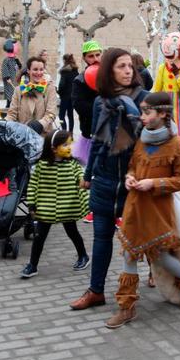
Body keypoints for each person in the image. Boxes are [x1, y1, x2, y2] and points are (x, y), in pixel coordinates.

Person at [105, 92, 180, 328]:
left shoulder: (177, 144)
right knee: (128, 254)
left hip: (158, 211)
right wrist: (130, 178)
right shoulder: (142, 139)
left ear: (163, 113)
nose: (143, 116)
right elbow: (132, 166)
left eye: (147, 112)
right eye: (142, 111)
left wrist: (154, 184)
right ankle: (126, 307)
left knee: (162, 257)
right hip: (134, 208)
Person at [69, 47, 148, 311]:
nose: (127, 71)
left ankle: (157, 274)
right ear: (108, 72)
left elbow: (153, 144)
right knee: (101, 237)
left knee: (142, 237)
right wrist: (89, 174)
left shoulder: (143, 98)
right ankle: (96, 291)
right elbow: (96, 140)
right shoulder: (100, 101)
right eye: (121, 66)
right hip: (104, 179)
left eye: (130, 66)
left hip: (132, 182)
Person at [20, 130, 90, 278]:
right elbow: (33, 186)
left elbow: (81, 181)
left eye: (70, 144)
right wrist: (31, 204)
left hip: (68, 207)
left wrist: (87, 187)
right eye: (65, 145)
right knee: (39, 236)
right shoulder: (41, 166)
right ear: (53, 148)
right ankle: (32, 265)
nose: (70, 147)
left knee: (73, 232)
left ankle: (83, 255)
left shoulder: (73, 165)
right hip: (46, 208)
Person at [71, 40, 103, 223]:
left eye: (98, 55)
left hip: (109, 133)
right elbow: (79, 105)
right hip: (90, 133)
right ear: (84, 59)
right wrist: (101, 106)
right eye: (91, 56)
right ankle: (91, 208)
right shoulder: (79, 80)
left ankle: (112, 211)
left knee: (105, 174)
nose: (95, 59)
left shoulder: (107, 76)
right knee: (91, 175)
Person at [152, 32, 180, 147]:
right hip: (165, 103)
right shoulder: (162, 68)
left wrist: (178, 76)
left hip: (179, 103)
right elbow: (157, 87)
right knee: (164, 127)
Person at [6, 56, 57, 133]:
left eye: (41, 69)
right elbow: (12, 114)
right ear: (28, 71)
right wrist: (4, 122)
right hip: (23, 136)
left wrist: (40, 124)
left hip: (43, 136)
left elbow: (51, 113)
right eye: (35, 69)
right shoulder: (19, 90)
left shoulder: (50, 88)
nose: (39, 73)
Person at [57, 53, 79, 132]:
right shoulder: (75, 71)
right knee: (70, 115)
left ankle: (63, 131)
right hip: (73, 97)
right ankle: (71, 133)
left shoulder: (64, 71)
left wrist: (59, 92)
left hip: (65, 97)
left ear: (64, 60)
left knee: (61, 116)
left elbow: (62, 84)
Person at [1, 39, 22, 108]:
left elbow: (20, 67)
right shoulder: (6, 60)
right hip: (9, 80)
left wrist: (17, 60)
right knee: (10, 93)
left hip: (15, 79)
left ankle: (13, 107)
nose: (17, 47)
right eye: (15, 45)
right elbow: (4, 68)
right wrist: (7, 78)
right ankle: (8, 107)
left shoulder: (14, 59)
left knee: (15, 93)